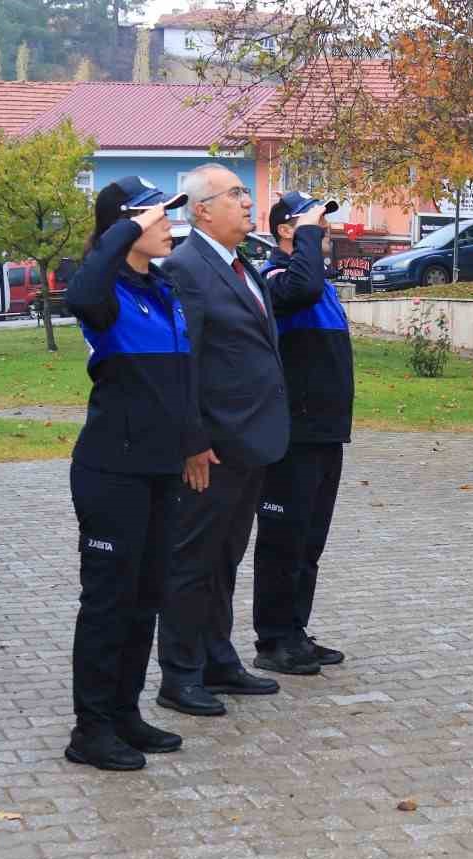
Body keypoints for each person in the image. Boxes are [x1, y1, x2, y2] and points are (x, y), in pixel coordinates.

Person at [62, 176, 196, 771]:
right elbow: (81, 292)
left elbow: (179, 383)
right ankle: (90, 730)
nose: (170, 224)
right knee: (109, 602)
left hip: (160, 470)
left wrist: (194, 444)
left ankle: (124, 713)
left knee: (146, 599)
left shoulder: (160, 287)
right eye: (157, 216)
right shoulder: (105, 290)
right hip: (112, 471)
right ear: (128, 225)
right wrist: (125, 229)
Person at [155, 164, 292, 716]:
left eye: (245, 192)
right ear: (201, 209)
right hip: (212, 448)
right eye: (236, 193)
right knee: (192, 562)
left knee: (225, 559)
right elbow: (183, 359)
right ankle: (181, 673)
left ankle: (218, 657)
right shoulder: (187, 268)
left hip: (251, 441)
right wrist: (193, 439)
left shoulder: (243, 266)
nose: (246, 200)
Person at [252, 192, 351, 675]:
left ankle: (295, 630)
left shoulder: (316, 281)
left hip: (325, 430)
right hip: (292, 433)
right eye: (313, 222)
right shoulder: (276, 278)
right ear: (286, 230)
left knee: (309, 540)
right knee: (282, 539)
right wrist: (307, 236)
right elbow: (304, 288)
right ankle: (272, 640)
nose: (325, 229)